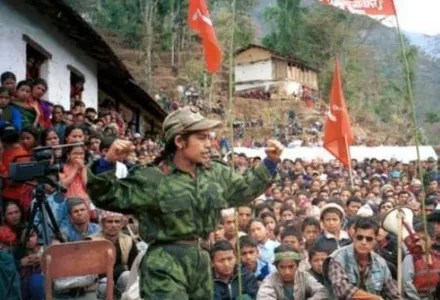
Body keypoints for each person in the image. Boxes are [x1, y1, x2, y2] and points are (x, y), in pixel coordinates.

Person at [86, 106, 283, 299]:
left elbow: (244, 189)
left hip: (202, 262)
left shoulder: (215, 173)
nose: (208, 144)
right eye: (201, 138)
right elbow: (108, 196)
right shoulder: (152, 177)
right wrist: (107, 163)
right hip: (165, 263)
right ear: (179, 141)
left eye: (209, 137)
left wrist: (270, 162)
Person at [323, 217, 400, 299]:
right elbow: (342, 289)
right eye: (360, 237)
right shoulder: (338, 258)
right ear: (353, 236)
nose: (363, 242)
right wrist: (374, 298)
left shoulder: (381, 263)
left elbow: (393, 293)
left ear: (376, 239)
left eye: (369, 239)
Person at [88, 211, 138, 299]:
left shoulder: (128, 240)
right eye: (109, 222)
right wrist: (120, 269)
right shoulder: (92, 241)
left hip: (120, 281)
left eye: (117, 221)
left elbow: (134, 268)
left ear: (121, 224)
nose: (113, 225)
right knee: (105, 284)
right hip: (99, 283)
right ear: (102, 224)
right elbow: (92, 273)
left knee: (128, 276)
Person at [257, 245, 328, 300]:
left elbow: (322, 291)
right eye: (282, 267)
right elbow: (263, 297)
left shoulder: (303, 276)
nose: (287, 272)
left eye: (291, 267)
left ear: (297, 265)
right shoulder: (270, 280)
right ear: (276, 267)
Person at [403, 221, 440, 299]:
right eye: (417, 239)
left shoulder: (438, 256)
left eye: (424, 239)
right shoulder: (410, 258)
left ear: (433, 240)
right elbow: (407, 285)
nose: (420, 243)